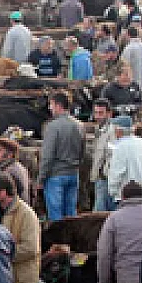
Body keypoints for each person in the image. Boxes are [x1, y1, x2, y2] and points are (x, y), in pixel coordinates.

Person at [39, 92, 84, 221]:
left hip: (55, 176)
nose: (49, 108)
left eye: (51, 105)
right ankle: (73, 241)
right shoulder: (80, 125)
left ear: (58, 106)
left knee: (55, 216)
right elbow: (82, 151)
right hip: (73, 174)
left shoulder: (52, 127)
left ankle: (58, 241)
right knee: (71, 214)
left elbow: (47, 156)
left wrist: (41, 179)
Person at [106, 116, 142, 205]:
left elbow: (116, 173)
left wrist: (112, 191)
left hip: (125, 196)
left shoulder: (120, 147)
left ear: (118, 130)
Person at [0, 138, 31, 205]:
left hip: (15, 210)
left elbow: (6, 197)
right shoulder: (18, 166)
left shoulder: (10, 171)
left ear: (10, 154)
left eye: (0, 150)